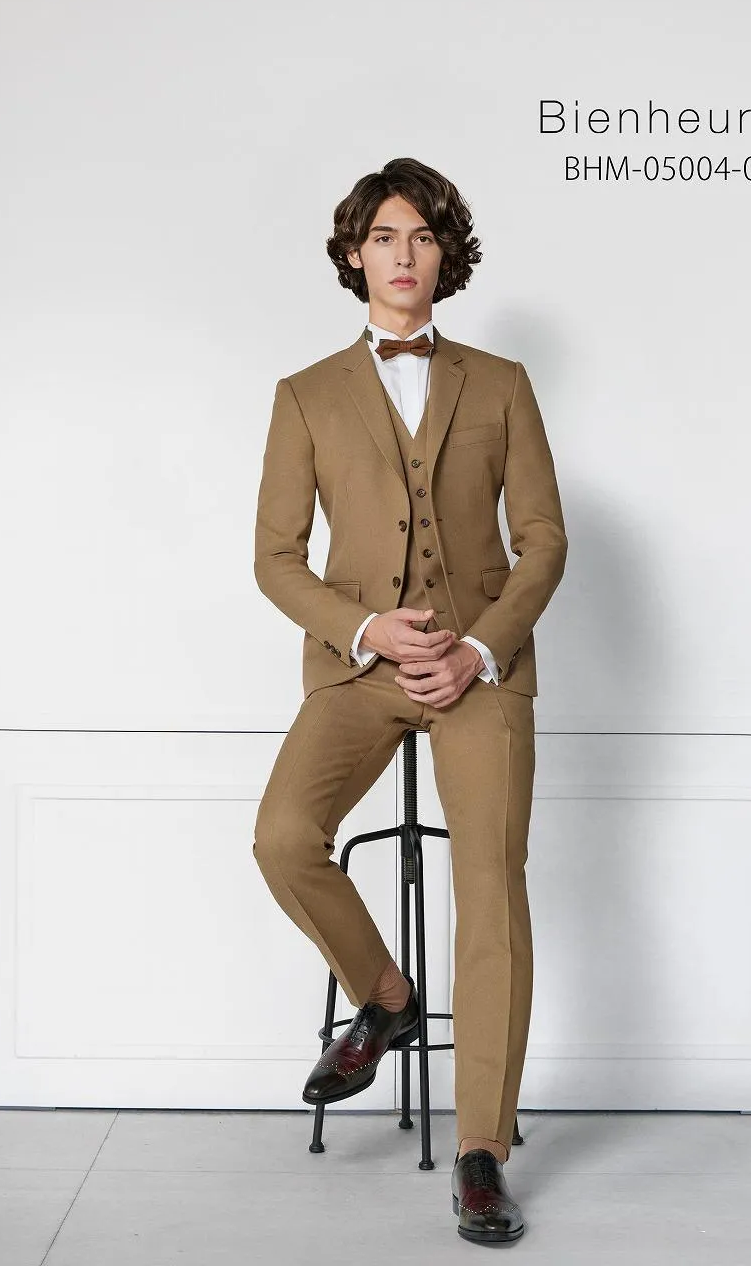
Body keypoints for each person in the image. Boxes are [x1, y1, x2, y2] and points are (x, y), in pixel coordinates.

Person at [252, 156, 568, 1246]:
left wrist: (478, 647)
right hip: (361, 666)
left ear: (445, 255)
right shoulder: (304, 394)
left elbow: (543, 540)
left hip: (480, 667)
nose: (403, 254)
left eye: (422, 236)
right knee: (283, 834)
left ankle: (481, 1148)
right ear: (355, 255)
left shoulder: (502, 383)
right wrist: (367, 629)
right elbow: (275, 558)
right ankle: (386, 997)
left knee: (490, 882)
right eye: (384, 236)